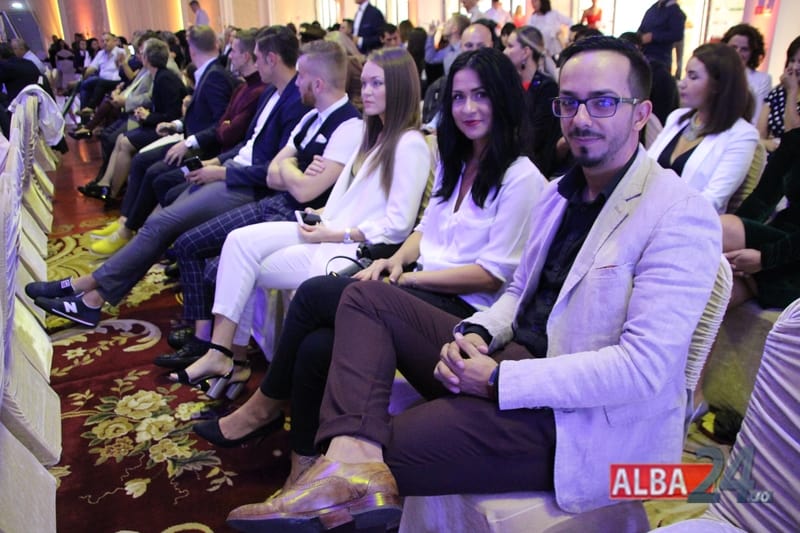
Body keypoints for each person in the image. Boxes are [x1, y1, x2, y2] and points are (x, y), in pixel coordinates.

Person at [222, 36, 722, 532]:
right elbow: (517, 293)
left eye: (604, 102)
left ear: (640, 113)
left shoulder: (678, 213)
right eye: (569, 102)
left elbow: (642, 368)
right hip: (512, 360)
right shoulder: (558, 195)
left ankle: (341, 475)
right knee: (364, 296)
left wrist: (501, 380)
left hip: (581, 423)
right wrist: (477, 333)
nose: (582, 117)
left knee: (386, 449)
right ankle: (347, 458)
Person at [193, 46, 547, 496]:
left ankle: (264, 406)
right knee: (318, 345)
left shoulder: (521, 177)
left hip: (466, 315)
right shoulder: (456, 162)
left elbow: (490, 275)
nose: (468, 108)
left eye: (481, 95)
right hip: (423, 290)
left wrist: (407, 277)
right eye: (458, 97)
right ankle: (302, 469)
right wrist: (395, 260)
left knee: (319, 292)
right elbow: (423, 228)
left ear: (504, 98)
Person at [168, 47, 430, 395]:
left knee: (248, 268)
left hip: (351, 246)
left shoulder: (409, 144)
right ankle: (222, 352)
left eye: (377, 84)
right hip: (326, 226)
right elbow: (342, 197)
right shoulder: (373, 135)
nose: (366, 91)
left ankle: (236, 361)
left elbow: (397, 225)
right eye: (365, 83)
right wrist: (320, 217)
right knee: (238, 242)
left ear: (399, 87)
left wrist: (336, 233)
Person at [26, 26, 308, 328]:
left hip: (246, 185)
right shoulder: (272, 93)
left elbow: (274, 168)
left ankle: (86, 289)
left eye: (258, 58)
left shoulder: (294, 101)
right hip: (230, 171)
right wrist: (215, 161)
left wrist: (222, 170)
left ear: (271, 59)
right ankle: (91, 297)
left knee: (162, 221)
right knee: (159, 217)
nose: (253, 62)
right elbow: (248, 144)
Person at [154, 39, 363, 372]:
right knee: (188, 244)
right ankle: (204, 340)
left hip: (301, 217)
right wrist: (293, 169)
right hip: (274, 202)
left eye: (301, 76)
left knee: (216, 267)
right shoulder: (312, 117)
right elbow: (273, 172)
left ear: (318, 84)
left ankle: (218, 349)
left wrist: (288, 169)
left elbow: (306, 192)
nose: (296, 83)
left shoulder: (350, 126)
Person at [83, 38, 186, 256]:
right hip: (159, 125)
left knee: (131, 149)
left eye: (142, 53)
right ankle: (122, 215)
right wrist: (147, 115)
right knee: (122, 140)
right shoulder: (158, 75)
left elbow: (171, 114)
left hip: (168, 129)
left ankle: (124, 217)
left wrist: (148, 116)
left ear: (147, 58)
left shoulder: (165, 78)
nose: (139, 56)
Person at [647, 43, 758, 214]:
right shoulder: (677, 118)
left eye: (693, 77)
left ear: (717, 86)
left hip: (690, 222)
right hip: (647, 211)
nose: (682, 84)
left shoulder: (742, 135)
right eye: (685, 75)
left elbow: (712, 200)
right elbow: (645, 169)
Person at [722, 127, 800, 309]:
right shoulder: (795, 139)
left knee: (724, 229)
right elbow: (762, 200)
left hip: (786, 258)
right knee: (716, 291)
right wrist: (735, 243)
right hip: (781, 238)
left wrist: (765, 258)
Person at [503, 26, 559, 176]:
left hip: (535, 167)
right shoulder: (510, 85)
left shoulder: (547, 88)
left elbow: (538, 136)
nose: (505, 52)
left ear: (526, 52)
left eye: (510, 46)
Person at [722, 23, 771, 126]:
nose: (738, 53)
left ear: (753, 53)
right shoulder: (713, 74)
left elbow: (756, 119)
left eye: (744, 49)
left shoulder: (762, 80)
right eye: (733, 47)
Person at [758, 36, 800, 153]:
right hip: (771, 155)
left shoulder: (790, 90)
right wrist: (767, 143)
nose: (795, 67)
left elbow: (793, 134)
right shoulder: (778, 92)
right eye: (792, 60)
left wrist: (792, 91)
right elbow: (759, 135)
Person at [78, 32, 126, 112]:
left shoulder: (121, 52)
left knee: (99, 82)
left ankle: (91, 107)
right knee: (84, 85)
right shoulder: (100, 53)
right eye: (103, 41)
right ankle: (84, 114)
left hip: (116, 81)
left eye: (107, 40)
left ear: (114, 41)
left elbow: (124, 69)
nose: (105, 43)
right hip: (101, 80)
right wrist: (85, 77)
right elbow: (91, 68)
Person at [638, 0, 686, 74]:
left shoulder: (675, 11)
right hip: (644, 57)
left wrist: (653, 36)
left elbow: (677, 34)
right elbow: (642, 28)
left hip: (660, 61)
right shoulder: (653, 8)